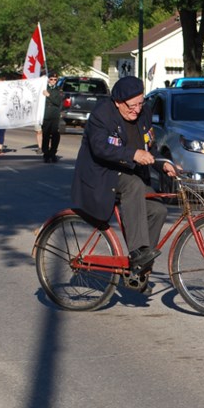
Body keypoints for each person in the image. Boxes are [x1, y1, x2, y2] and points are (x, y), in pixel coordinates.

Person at [71, 76, 179, 275]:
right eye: (132, 106)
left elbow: (149, 147)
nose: (137, 109)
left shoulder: (143, 113)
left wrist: (163, 164)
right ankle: (137, 252)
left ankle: (141, 267)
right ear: (118, 102)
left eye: (141, 103)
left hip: (131, 172)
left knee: (158, 210)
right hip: (103, 173)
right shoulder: (102, 114)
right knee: (134, 185)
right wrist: (133, 154)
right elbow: (100, 148)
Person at [41, 72, 63, 162]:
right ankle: (46, 153)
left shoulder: (59, 90)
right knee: (45, 135)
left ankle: (53, 153)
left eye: (55, 79)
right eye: (51, 79)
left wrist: (48, 96)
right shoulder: (43, 88)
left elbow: (58, 102)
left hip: (55, 115)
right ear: (48, 80)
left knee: (55, 135)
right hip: (46, 114)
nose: (53, 81)